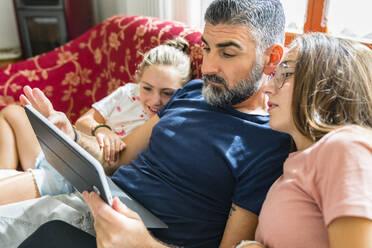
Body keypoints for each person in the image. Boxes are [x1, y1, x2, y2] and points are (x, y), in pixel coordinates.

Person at [15, 0, 290, 247]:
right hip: (91, 207)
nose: (207, 67)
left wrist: (141, 243)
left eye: (227, 54)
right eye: (207, 48)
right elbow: (115, 158)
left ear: (271, 58)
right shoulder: (192, 91)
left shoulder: (270, 141)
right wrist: (70, 136)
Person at [0, 37, 192, 204]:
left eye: (167, 93)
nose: (154, 100)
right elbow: (85, 120)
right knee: (11, 112)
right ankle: (6, 172)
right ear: (139, 79)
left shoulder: (171, 120)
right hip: (61, 154)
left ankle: (15, 181)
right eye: (147, 88)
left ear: (184, 91)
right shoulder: (128, 93)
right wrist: (102, 129)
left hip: (71, 175)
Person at [242, 33, 372, 247]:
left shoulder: (344, 147)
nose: (267, 88)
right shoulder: (295, 162)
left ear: (329, 83)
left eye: (285, 73)